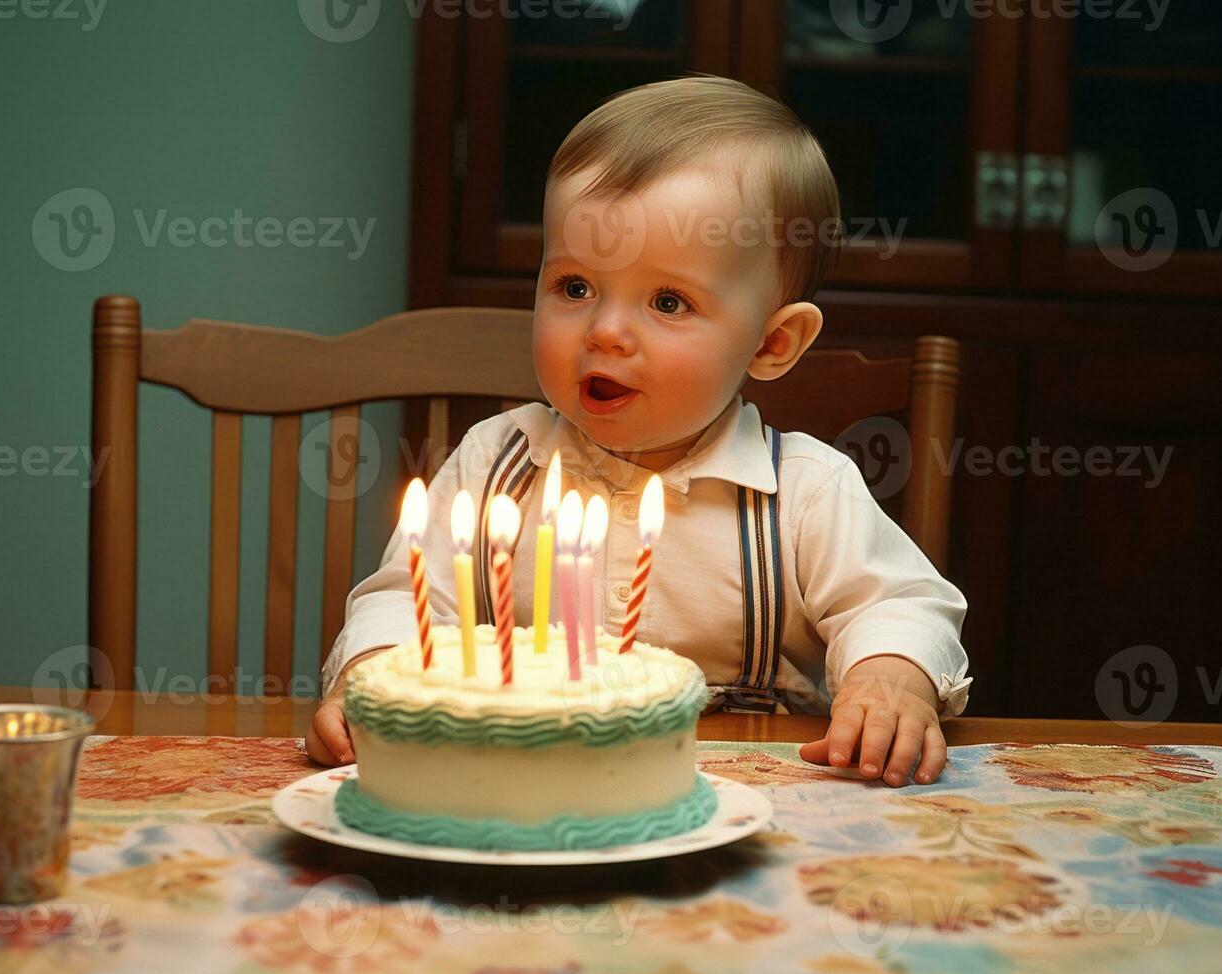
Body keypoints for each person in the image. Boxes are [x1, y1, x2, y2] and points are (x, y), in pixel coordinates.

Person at [307, 74, 971, 787]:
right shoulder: (494, 461)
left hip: (751, 801)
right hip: (522, 782)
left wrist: (890, 679)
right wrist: (372, 671)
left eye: (666, 300)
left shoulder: (804, 493)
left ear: (772, 344)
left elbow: (901, 603)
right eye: (574, 287)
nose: (605, 331)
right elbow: (401, 599)